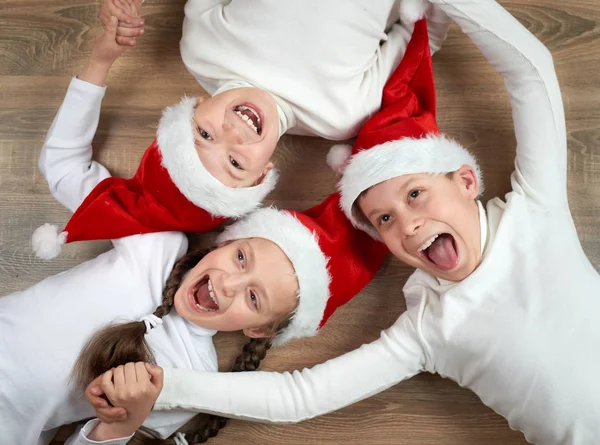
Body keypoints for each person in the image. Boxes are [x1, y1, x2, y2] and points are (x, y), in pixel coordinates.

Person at [88, 2, 600, 444]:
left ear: (466, 180)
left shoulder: (537, 209)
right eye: (385, 219)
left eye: (416, 195)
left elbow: (533, 70)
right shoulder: (428, 329)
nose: (408, 224)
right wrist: (167, 386)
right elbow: (297, 396)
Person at [0, 17, 386, 444]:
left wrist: (118, 427)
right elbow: (64, 168)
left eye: (253, 298)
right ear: (226, 241)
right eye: (241, 259)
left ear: (259, 330)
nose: (228, 282)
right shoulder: (155, 246)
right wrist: (100, 60)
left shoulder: (193, 378)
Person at [99, 0, 453, 189]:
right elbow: (421, 38)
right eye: (235, 163)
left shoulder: (201, 48)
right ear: (263, 173)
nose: (232, 135)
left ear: (195, 107)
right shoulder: (340, 116)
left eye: (204, 134)